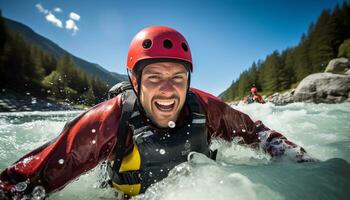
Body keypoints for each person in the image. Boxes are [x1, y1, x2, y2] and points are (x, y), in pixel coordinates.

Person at [0, 26, 314, 199]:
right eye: (154, 78)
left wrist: (305, 163)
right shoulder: (107, 122)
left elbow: (257, 134)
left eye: (178, 77)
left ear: (189, 81)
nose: (167, 89)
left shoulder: (206, 108)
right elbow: (24, 182)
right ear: (135, 81)